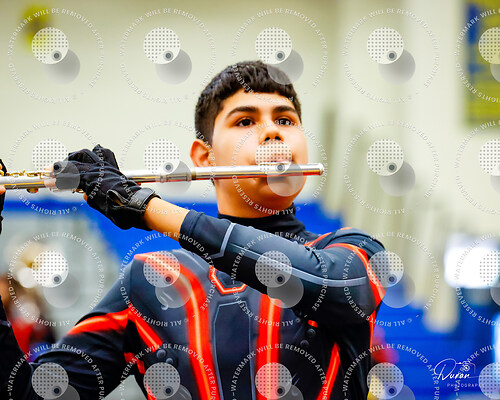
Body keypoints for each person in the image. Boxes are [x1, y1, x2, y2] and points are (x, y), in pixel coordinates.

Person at [0, 61, 385, 400]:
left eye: (285, 120)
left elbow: (330, 285)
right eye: (245, 121)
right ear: (205, 157)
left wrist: (141, 204)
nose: (272, 132)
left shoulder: (355, 251)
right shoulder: (149, 279)